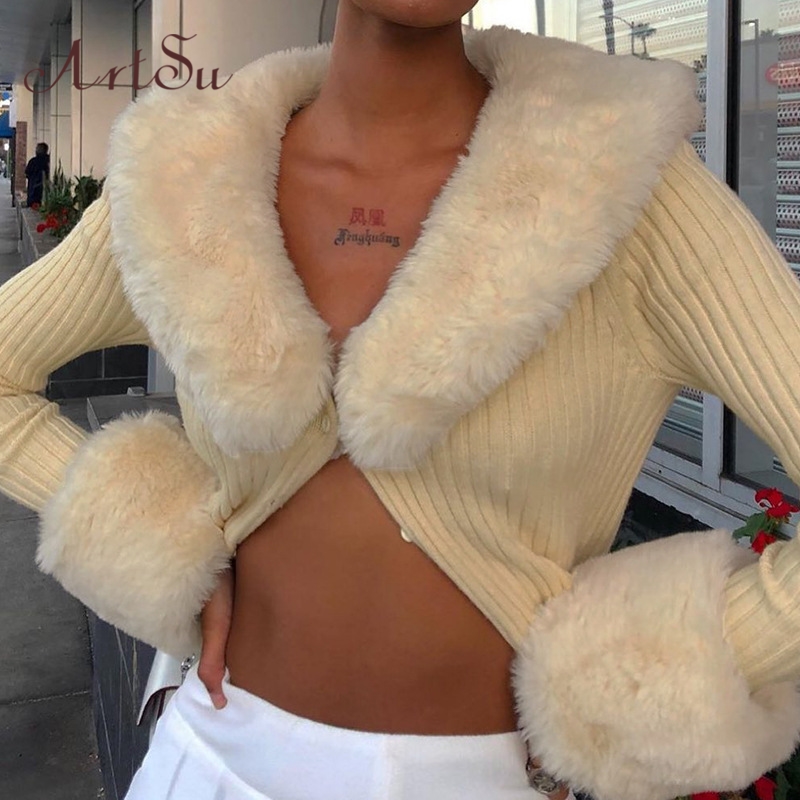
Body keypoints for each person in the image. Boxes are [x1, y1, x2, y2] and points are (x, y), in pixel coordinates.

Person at [1, 2, 800, 799]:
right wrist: (155, 543)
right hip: (208, 755)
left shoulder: (624, 182)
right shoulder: (186, 179)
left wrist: (645, 673)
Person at [24, 142, 49, 207]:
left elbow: (27, 173)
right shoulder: (48, 160)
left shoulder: (33, 161)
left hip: (33, 190)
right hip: (43, 189)